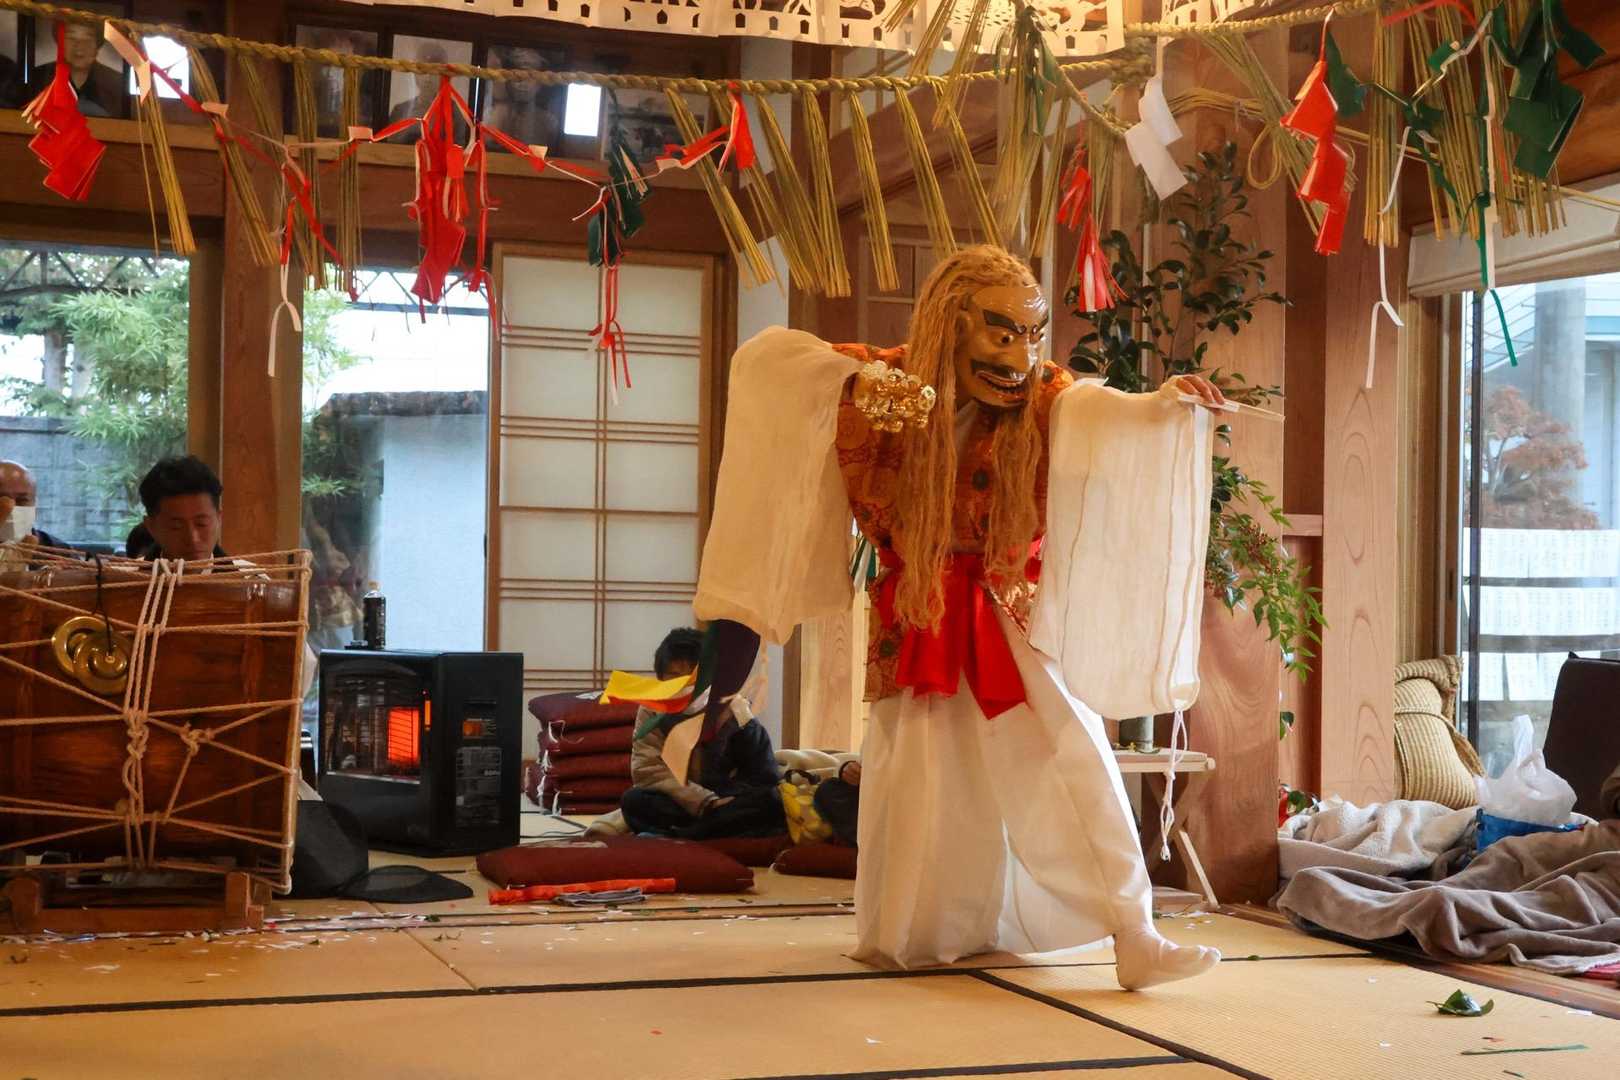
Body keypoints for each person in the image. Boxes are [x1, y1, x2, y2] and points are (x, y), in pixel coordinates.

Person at [694, 245, 1229, 988]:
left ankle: (1133, 931)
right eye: (1001, 332)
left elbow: (1097, 410)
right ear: (951, 322)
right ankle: (922, 933)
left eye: (1032, 335)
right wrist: (858, 381)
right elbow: (770, 360)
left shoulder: (1044, 396)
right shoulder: (887, 385)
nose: (1020, 357)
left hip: (1011, 612)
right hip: (919, 609)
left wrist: (1162, 405)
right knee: (924, 777)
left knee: (1071, 757)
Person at [619, 626, 784, 838]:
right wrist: (705, 801)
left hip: (728, 798)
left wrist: (729, 798)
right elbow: (648, 771)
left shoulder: (733, 707)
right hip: (683, 799)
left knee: (773, 801)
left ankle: (688, 835)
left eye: (694, 676)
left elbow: (764, 774)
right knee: (633, 801)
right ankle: (709, 832)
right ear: (661, 678)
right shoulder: (652, 711)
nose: (686, 685)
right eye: (675, 676)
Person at [26, 20, 124, 118]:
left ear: (97, 46)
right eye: (71, 38)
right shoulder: (37, 76)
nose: (79, 46)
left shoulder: (117, 82)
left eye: (87, 39)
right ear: (59, 42)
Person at [0, 459, 71, 549]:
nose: (10, 507)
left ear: (35, 504)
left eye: (22, 500)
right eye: (2, 500)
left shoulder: (57, 550)